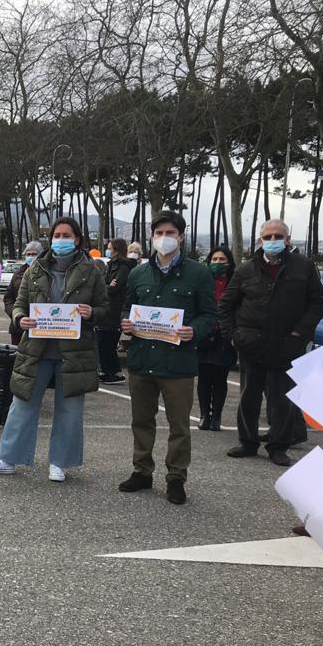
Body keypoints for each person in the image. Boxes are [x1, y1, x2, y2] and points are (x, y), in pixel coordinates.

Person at [0, 216, 108, 482]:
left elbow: (105, 309)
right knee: (22, 404)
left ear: (78, 239)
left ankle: (60, 462)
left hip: (74, 351)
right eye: (57, 235)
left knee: (70, 409)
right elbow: (19, 303)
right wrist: (19, 318)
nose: (60, 240)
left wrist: (92, 312)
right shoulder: (36, 268)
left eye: (66, 235)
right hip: (36, 348)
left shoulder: (91, 270)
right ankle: (8, 458)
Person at [118, 210, 216, 505]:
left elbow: (210, 316)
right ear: (151, 236)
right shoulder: (138, 273)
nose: (164, 238)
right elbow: (127, 307)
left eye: (170, 233)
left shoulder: (199, 273)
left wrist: (194, 330)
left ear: (181, 236)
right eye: (159, 233)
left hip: (178, 363)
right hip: (142, 360)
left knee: (179, 426)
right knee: (141, 421)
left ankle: (176, 477)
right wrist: (126, 322)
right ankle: (142, 470)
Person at [219, 219, 323, 467]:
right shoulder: (246, 269)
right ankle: (247, 441)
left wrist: (299, 335)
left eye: (278, 236)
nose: (273, 241)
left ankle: (279, 446)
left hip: (287, 344)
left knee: (283, 400)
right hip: (251, 344)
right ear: (259, 240)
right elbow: (226, 304)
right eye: (267, 237)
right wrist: (233, 335)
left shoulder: (304, 267)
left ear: (288, 240)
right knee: (248, 396)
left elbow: (317, 303)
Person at [196, 245, 237, 431]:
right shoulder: (202, 281)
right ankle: (204, 414)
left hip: (225, 337)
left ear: (229, 263)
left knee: (220, 378)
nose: (218, 263)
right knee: (204, 377)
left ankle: (217, 416)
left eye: (222, 260)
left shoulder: (235, 282)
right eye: (214, 260)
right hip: (204, 335)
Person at [96, 238, 132, 385]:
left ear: (116, 249)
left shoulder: (123, 267)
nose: (108, 250)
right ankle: (107, 371)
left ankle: (115, 373)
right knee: (102, 343)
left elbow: (113, 288)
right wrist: (106, 285)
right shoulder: (110, 265)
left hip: (114, 310)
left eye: (110, 248)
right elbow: (103, 284)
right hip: (107, 310)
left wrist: (105, 286)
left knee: (109, 343)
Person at [5, 241, 42, 345]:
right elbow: (8, 297)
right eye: (28, 254)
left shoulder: (47, 272)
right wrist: (16, 315)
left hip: (41, 324)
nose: (30, 256)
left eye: (34, 254)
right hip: (18, 326)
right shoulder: (18, 273)